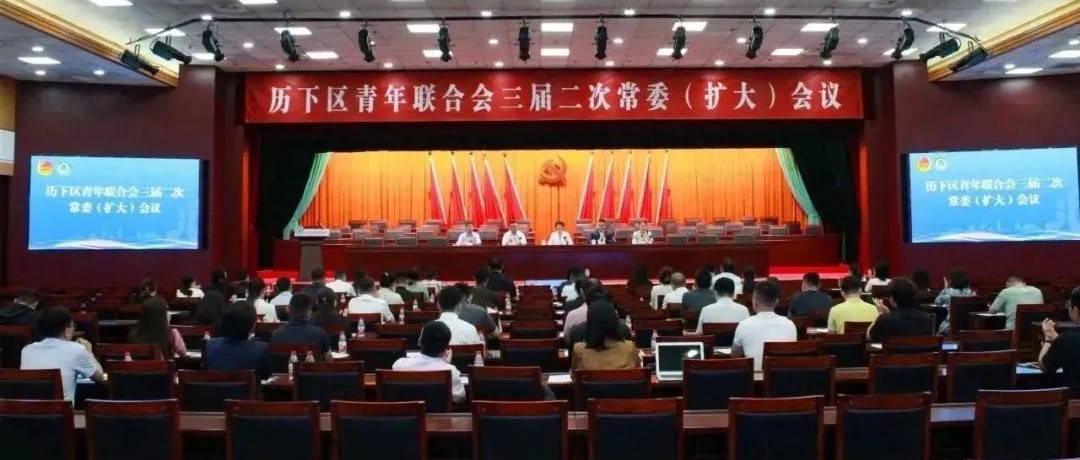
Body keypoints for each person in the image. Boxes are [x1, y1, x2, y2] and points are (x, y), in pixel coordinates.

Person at [21, 307, 104, 401]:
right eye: (73, 326)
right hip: (60, 410)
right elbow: (100, 377)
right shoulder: (76, 349)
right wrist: (89, 352)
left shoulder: (27, 350)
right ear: (66, 330)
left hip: (29, 409)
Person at [391, 321, 466, 403]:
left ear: (419, 342)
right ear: (445, 349)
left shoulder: (399, 365)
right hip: (437, 411)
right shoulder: (451, 371)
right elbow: (460, 398)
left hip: (406, 411)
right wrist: (445, 365)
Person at [732, 280, 797, 371]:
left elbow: (735, 356)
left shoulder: (744, 325)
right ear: (776, 302)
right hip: (783, 377)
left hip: (753, 378)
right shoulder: (790, 325)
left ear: (755, 302)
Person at [204, 302, 272, 381]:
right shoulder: (261, 349)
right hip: (247, 389)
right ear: (253, 325)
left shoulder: (210, 345)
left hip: (215, 388)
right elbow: (266, 377)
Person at [571, 302, 640, 370]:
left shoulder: (578, 350)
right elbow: (638, 370)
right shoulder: (629, 348)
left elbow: (574, 374)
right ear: (615, 321)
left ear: (590, 323)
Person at [1039, 286, 1080, 396]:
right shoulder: (1065, 339)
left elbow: (1044, 366)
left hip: (1074, 401)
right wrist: (1057, 340)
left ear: (1076, 310)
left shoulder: (1067, 338)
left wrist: (1048, 339)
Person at [868, 277, 935, 343]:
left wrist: (880, 315)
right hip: (919, 350)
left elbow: (869, 336)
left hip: (892, 350)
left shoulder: (884, 319)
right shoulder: (927, 319)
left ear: (893, 298)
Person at [271, 293, 332, 361]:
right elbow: (328, 360)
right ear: (309, 312)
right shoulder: (319, 333)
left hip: (284, 368)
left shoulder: (277, 334)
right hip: (310, 367)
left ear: (288, 310)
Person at [934, 268, 976, 334]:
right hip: (968, 327)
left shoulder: (948, 292)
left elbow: (937, 302)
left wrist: (945, 288)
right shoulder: (971, 293)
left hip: (950, 327)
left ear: (951, 281)